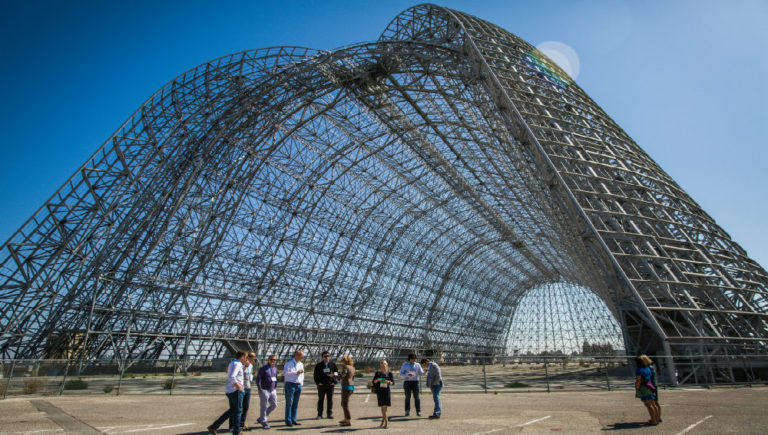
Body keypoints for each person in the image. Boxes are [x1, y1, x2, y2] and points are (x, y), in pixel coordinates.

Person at [208, 350, 248, 435]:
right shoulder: (237, 364)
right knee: (238, 411)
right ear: (242, 357)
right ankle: (237, 432)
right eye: (245, 357)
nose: (246, 359)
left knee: (232, 410)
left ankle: (214, 426)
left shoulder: (233, 363)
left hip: (230, 390)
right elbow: (232, 376)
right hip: (235, 390)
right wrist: (239, 386)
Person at [635, 355, 661, 425]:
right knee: (653, 403)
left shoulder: (639, 369)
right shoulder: (648, 368)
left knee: (648, 405)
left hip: (643, 387)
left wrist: (637, 388)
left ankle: (654, 420)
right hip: (650, 385)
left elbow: (638, 379)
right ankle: (657, 419)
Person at [283, 349, 305, 427]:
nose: (302, 356)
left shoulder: (301, 364)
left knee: (295, 404)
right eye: (301, 355)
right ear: (296, 355)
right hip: (290, 384)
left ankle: (293, 419)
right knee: (289, 403)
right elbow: (285, 373)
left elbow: (302, 374)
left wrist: (301, 383)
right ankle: (288, 420)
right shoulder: (289, 364)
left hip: (298, 385)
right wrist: (296, 372)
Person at [313, 351, 339, 419]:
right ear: (322, 357)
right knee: (321, 400)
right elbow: (315, 375)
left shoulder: (332, 364)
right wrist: (318, 383)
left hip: (330, 384)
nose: (327, 357)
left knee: (330, 400)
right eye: (325, 356)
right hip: (322, 385)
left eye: (328, 356)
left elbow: (337, 373)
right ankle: (319, 414)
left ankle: (329, 414)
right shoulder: (319, 365)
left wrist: (335, 381)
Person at [256, 354, 279, 429]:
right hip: (264, 389)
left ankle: (262, 417)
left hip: (272, 389)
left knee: (274, 405)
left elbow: (275, 378)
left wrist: (275, 386)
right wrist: (260, 388)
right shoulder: (263, 369)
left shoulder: (275, 369)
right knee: (264, 406)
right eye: (272, 359)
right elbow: (258, 379)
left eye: (275, 360)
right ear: (268, 360)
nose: (273, 361)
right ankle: (264, 421)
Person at [373, 360, 395, 429]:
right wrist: (378, 380)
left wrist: (388, 381)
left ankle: (383, 422)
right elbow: (374, 381)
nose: (383, 367)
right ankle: (386, 422)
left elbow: (393, 383)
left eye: (384, 366)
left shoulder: (390, 373)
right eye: (382, 366)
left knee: (385, 408)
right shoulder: (378, 373)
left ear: (387, 366)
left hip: (387, 391)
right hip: (380, 391)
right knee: (383, 407)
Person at [338, 355, 356, 426]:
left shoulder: (345, 367)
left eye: (342, 361)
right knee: (344, 403)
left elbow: (343, 375)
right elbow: (352, 378)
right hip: (351, 386)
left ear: (345, 361)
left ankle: (348, 420)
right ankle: (345, 418)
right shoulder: (352, 368)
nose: (342, 362)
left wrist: (333, 376)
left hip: (346, 387)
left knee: (344, 404)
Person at [240, 352, 255, 431]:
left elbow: (249, 375)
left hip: (248, 387)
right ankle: (232, 425)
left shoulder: (251, 366)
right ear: (247, 357)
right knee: (238, 408)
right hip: (241, 388)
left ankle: (242, 424)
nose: (254, 358)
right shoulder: (241, 365)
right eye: (252, 356)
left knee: (246, 407)